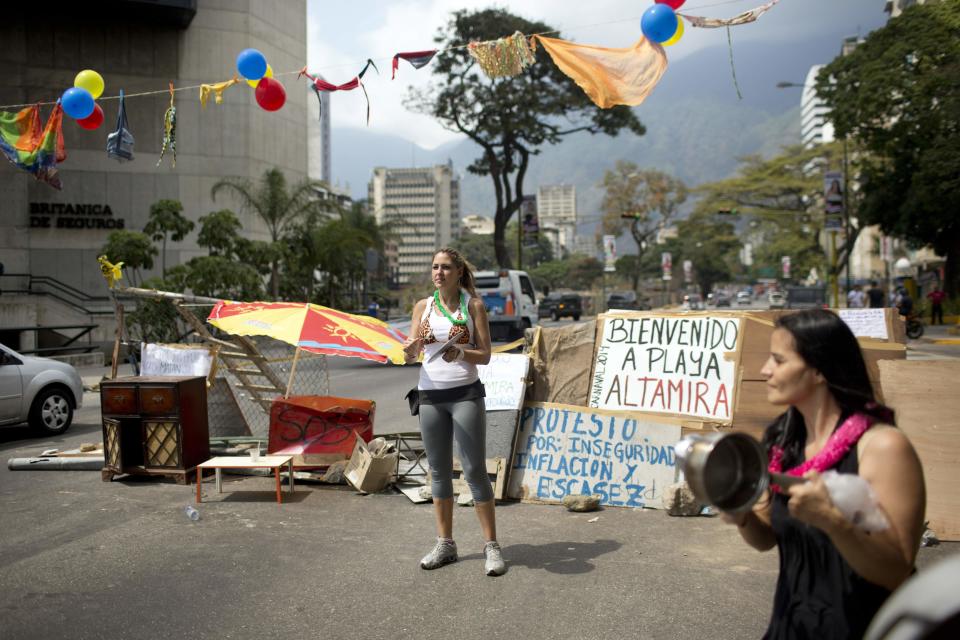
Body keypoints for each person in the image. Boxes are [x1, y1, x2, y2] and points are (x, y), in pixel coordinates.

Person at [723, 309, 926, 639]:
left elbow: (896, 570)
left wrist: (833, 521)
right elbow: (766, 539)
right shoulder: (780, 442)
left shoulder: (884, 447)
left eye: (778, 360)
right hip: (791, 626)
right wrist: (740, 513)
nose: (765, 370)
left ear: (818, 369)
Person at [401, 247, 505, 576]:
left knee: (474, 470)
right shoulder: (423, 306)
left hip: (465, 395)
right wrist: (409, 349)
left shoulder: (472, 305)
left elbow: (486, 354)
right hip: (430, 395)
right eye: (434, 267)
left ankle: (491, 547)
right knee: (438, 472)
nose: (439, 272)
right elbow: (411, 353)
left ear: (459, 272)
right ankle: (445, 544)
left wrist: (461, 352)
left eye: (445, 267)